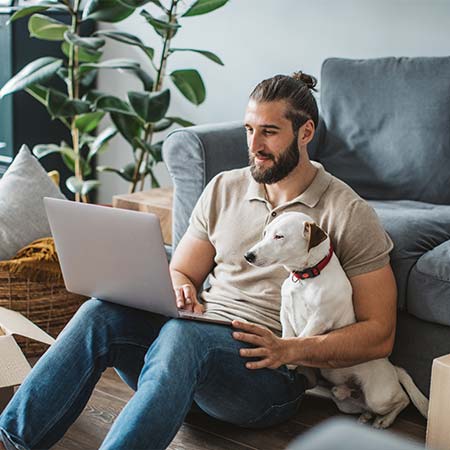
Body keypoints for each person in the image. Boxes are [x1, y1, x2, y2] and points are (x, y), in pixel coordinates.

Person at [0, 72, 397, 450]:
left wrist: (290, 350)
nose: (254, 144)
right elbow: (183, 270)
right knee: (99, 313)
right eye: (249, 130)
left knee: (182, 337)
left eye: (269, 132)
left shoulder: (346, 212)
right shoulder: (224, 187)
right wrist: (181, 287)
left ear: (305, 132)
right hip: (184, 360)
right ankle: (13, 440)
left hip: (268, 379)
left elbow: (380, 332)